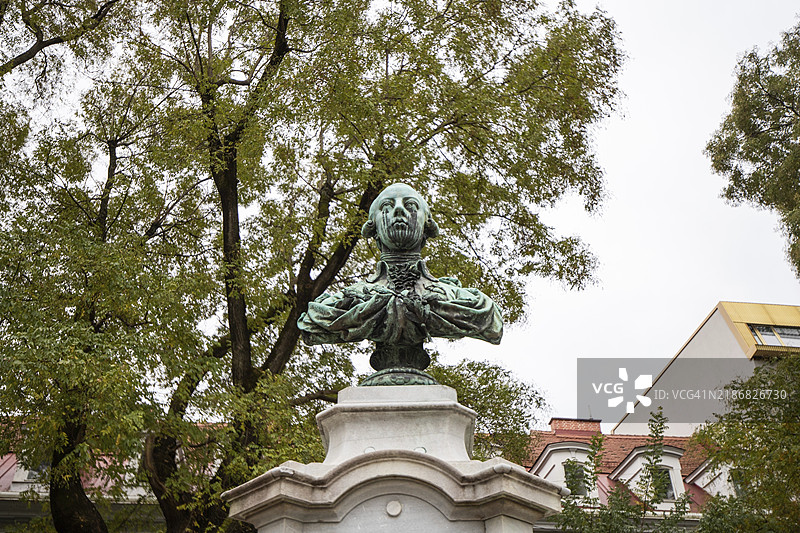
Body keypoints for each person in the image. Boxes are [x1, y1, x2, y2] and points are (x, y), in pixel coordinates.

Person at [297, 183, 503, 372]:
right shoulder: (336, 306)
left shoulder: (475, 306)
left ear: (427, 224)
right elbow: (310, 325)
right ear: (373, 226)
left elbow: (492, 325)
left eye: (410, 205)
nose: (398, 210)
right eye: (387, 205)